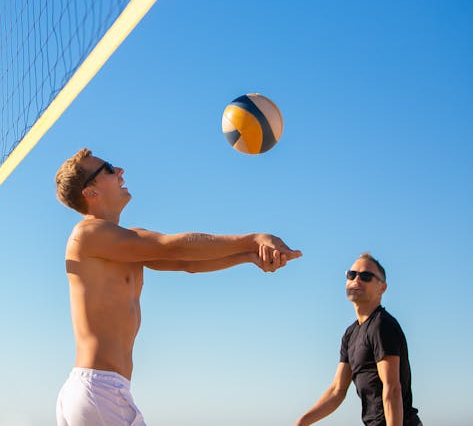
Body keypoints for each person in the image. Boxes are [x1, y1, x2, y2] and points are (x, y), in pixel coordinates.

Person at [54, 148, 302, 425]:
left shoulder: (126, 239)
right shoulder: (87, 234)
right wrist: (253, 239)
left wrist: (250, 256)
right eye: (110, 168)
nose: (121, 171)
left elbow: (186, 261)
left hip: (99, 391)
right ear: (90, 193)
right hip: (99, 390)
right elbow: (174, 247)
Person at [295, 253, 422, 426]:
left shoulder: (382, 325)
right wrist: (302, 422)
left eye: (366, 276)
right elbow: (337, 391)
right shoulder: (350, 334)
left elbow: (392, 388)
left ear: (382, 287)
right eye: (351, 274)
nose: (356, 280)